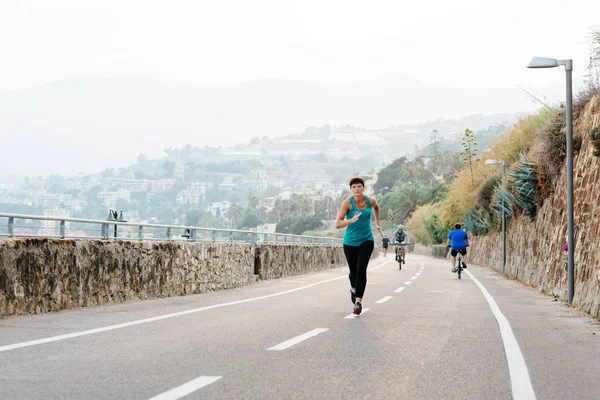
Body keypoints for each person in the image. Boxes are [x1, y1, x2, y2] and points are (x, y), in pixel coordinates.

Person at [336, 176, 384, 315]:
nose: (357, 189)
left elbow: (377, 207)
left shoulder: (370, 201)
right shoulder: (347, 203)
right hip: (350, 242)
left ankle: (358, 302)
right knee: (353, 273)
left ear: (363, 188)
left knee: (361, 269)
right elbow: (338, 223)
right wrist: (350, 220)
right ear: (351, 190)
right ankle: (353, 287)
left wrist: (378, 223)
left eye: (359, 186)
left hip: (366, 240)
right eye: (354, 187)